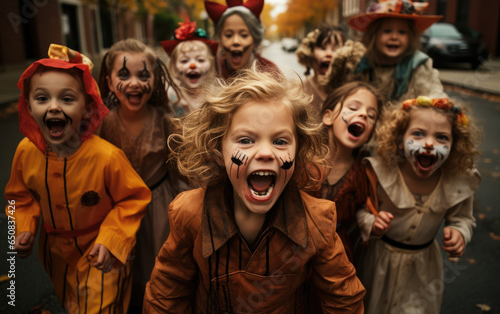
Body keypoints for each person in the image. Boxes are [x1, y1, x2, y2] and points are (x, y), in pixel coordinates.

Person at [143, 69, 365, 313]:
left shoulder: (317, 221)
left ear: (298, 152)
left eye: (280, 141)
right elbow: (165, 295)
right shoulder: (190, 214)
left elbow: (345, 300)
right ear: (218, 151)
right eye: (246, 140)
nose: (266, 153)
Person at [4, 44, 151, 313]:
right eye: (42, 98)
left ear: (87, 107)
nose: (54, 107)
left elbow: (133, 199)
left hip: (100, 251)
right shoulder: (25, 152)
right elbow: (18, 197)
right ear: (27, 105)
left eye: (67, 99)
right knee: (70, 303)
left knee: (98, 308)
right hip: (54, 253)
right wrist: (21, 225)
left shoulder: (107, 157)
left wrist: (112, 238)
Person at [355, 96, 481, 313]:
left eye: (441, 137)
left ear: (455, 144)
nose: (430, 144)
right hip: (377, 262)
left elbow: (462, 218)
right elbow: (360, 209)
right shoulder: (383, 172)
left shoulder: (456, 182)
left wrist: (460, 233)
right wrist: (371, 222)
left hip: (422, 268)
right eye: (418, 134)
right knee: (369, 306)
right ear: (400, 138)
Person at [97, 38, 186, 311]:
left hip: (160, 210)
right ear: (110, 82)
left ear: (155, 80)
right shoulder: (103, 125)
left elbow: (181, 172)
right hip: (118, 214)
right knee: (124, 278)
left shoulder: (165, 121)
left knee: (159, 272)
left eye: (143, 75)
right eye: (124, 74)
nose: (134, 82)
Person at [324, 0, 447, 103]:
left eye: (402, 32)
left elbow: (435, 97)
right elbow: (344, 92)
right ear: (374, 35)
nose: (394, 37)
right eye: (387, 31)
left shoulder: (418, 65)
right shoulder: (363, 62)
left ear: (411, 37)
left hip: (407, 119)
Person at [315, 81, 382, 261]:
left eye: (371, 115)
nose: (363, 115)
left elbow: (361, 208)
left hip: (337, 256)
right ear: (328, 117)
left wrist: (372, 223)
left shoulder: (364, 174)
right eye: (353, 108)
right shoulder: (302, 161)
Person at [204, 0, 281, 79]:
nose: (236, 41)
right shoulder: (209, 71)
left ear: (255, 39)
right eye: (228, 35)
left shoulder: (271, 73)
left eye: (244, 35)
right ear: (220, 38)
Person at [161, 17, 218, 117]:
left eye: (200, 60)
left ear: (211, 65)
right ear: (174, 67)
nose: (193, 65)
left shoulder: (216, 95)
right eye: (184, 61)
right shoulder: (170, 96)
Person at [295, 24, 346, 109]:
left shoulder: (351, 90)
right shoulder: (300, 92)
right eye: (322, 48)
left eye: (335, 49)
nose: (329, 54)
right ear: (310, 53)